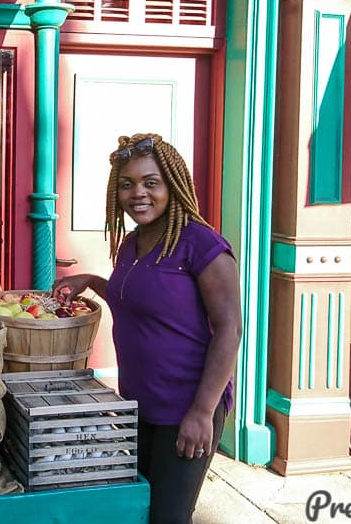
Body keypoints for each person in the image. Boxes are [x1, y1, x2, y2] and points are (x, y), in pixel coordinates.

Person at [53, 133, 241, 524]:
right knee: (140, 510)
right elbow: (138, 300)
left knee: (169, 517)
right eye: (127, 184)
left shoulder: (202, 246)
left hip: (186, 406)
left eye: (150, 182)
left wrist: (203, 411)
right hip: (140, 405)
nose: (138, 193)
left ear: (172, 186)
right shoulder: (133, 244)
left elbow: (229, 331)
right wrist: (91, 280)